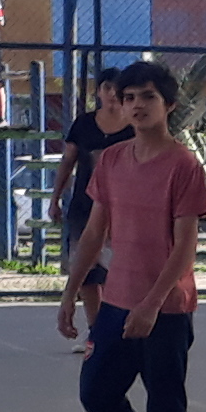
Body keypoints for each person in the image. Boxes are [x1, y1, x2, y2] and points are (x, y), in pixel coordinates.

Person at [74, 58, 206, 412]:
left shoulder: (183, 166)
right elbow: (94, 233)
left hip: (165, 310)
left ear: (168, 104)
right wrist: (69, 294)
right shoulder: (112, 161)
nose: (136, 105)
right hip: (116, 302)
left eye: (148, 97)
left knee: (165, 411)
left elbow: (185, 248)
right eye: (128, 97)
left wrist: (152, 305)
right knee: (96, 393)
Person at [53, 80, 128, 341]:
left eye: (118, 89)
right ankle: (96, 332)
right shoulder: (84, 124)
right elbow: (67, 161)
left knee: (115, 269)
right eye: (107, 88)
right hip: (85, 205)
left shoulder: (135, 127)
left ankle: (117, 328)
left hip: (122, 208)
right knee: (86, 271)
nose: (112, 94)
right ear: (98, 92)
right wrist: (55, 198)